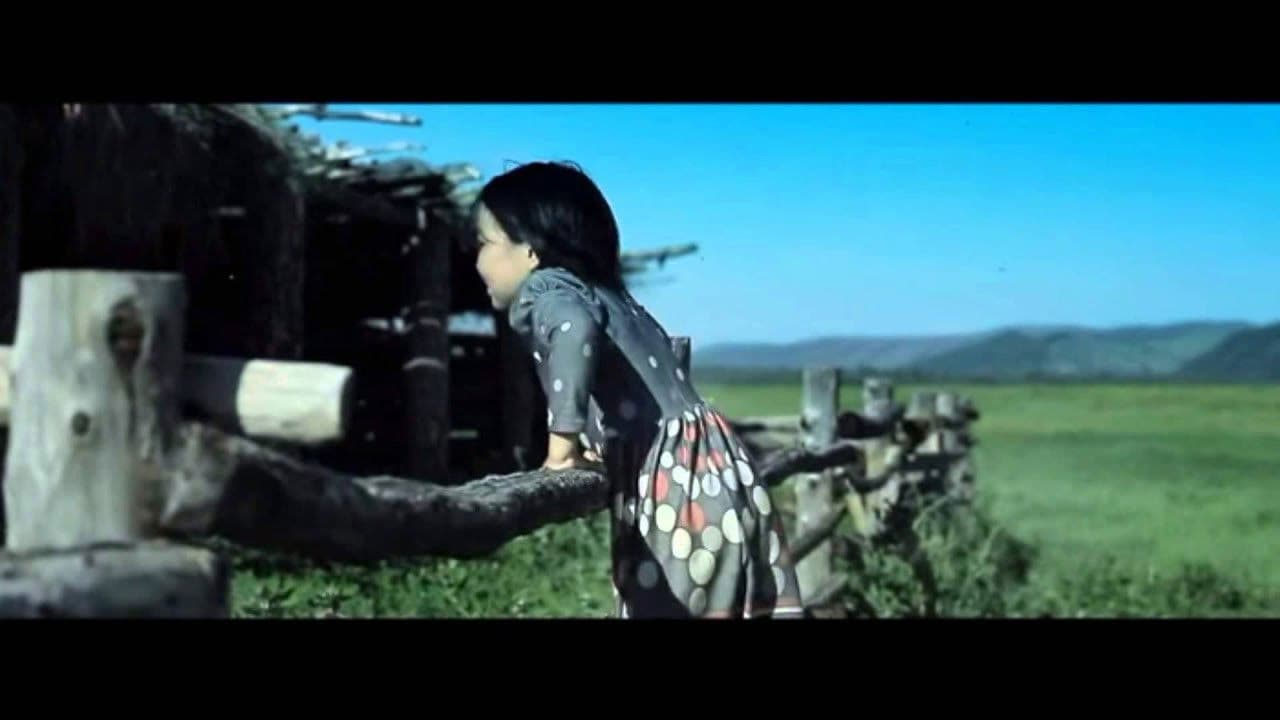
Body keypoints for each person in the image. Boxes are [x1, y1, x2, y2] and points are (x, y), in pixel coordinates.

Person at [472, 161, 803, 619]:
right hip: (723, 475)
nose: (477, 261)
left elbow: (573, 330)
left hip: (677, 491)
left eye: (484, 243)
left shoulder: (549, 290)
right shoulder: (614, 298)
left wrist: (562, 449)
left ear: (529, 250)